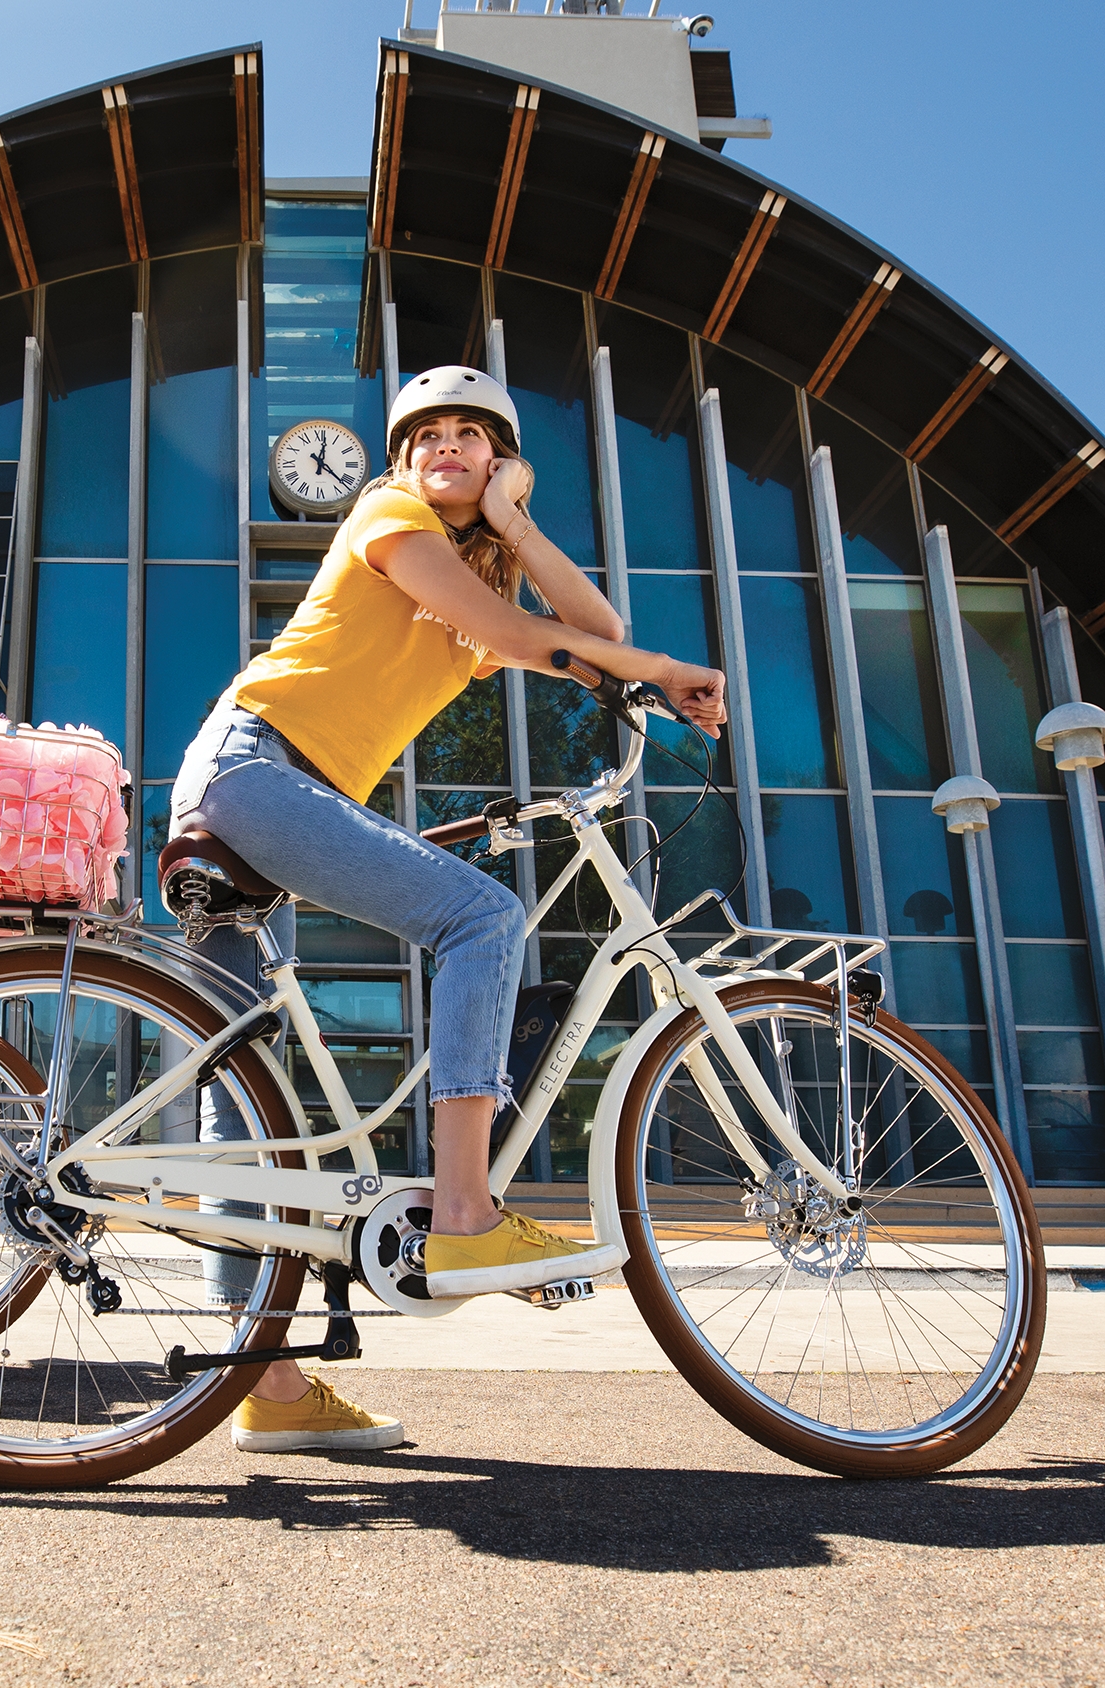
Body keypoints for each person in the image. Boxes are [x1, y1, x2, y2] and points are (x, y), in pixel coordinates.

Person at [173, 366, 727, 1450]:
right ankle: (466, 1213)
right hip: (256, 770)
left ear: (503, 461)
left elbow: (587, 625)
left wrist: (515, 519)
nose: (447, 444)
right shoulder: (388, 516)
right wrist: (658, 670)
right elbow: (536, 640)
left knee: (244, 1092)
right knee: (482, 918)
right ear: (399, 459)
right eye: (427, 432)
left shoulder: (460, 603)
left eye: (473, 434)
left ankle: (271, 1386)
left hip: (264, 795)